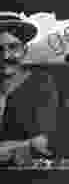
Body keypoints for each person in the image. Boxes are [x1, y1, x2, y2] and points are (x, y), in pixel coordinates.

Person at [0, 12, 57, 161]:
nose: (5, 56)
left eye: (13, 47)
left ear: (24, 51)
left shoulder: (40, 84)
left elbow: (43, 144)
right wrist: (24, 145)